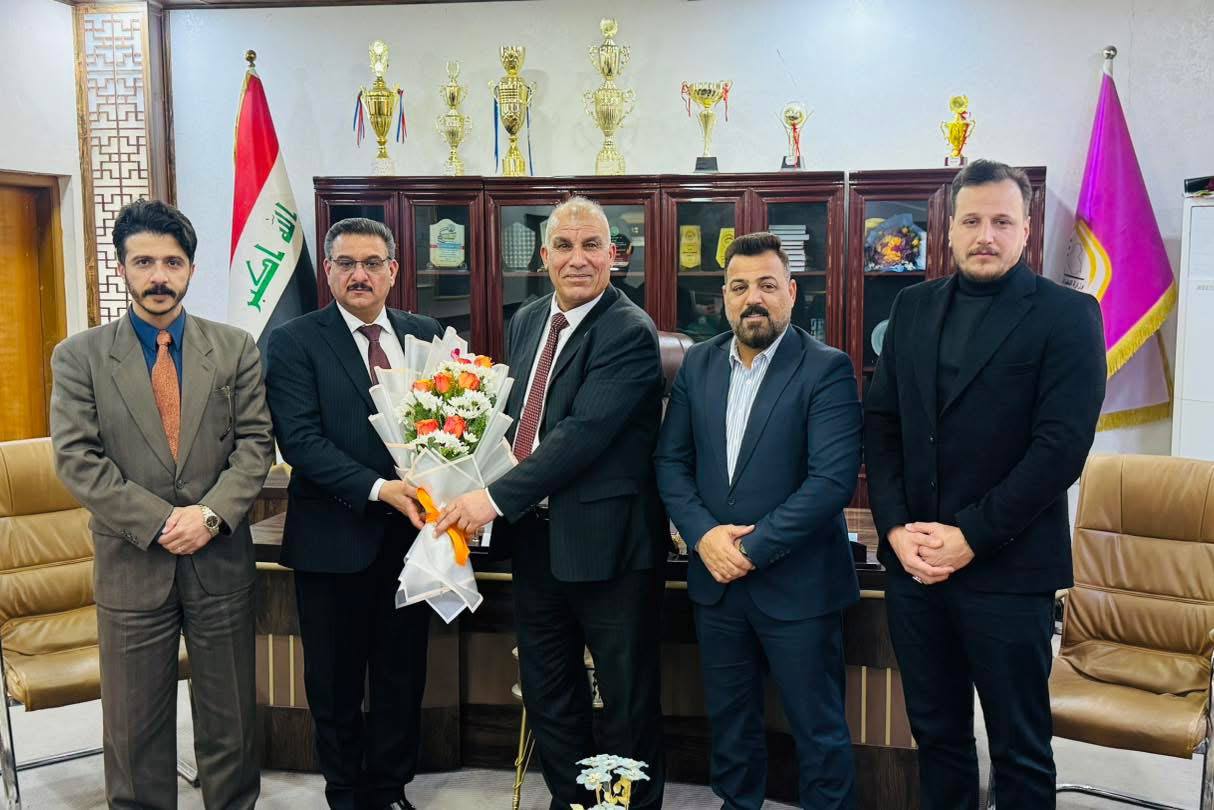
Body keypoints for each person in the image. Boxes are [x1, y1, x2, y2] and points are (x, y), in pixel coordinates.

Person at [863, 159, 1107, 809]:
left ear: (1026, 229)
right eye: (971, 221)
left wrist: (970, 535)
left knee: (1019, 749)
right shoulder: (912, 307)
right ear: (948, 230)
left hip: (1009, 570)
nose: (986, 235)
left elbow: (1060, 450)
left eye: (1002, 221)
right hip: (917, 568)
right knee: (937, 738)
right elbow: (881, 424)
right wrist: (895, 528)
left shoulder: (1068, 315)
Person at [435, 196, 668, 809]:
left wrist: (491, 498)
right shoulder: (528, 318)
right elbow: (520, 422)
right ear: (543, 257)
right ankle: (575, 801)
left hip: (610, 546)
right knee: (548, 692)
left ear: (613, 255)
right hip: (536, 540)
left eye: (591, 246)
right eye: (564, 246)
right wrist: (457, 470)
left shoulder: (628, 330)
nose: (577, 259)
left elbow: (580, 437)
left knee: (625, 701)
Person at [50, 199, 275, 809]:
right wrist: (161, 522)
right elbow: (77, 459)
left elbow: (256, 445)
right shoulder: (80, 356)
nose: (159, 276)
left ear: (191, 269)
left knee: (230, 719)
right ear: (122, 268)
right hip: (132, 564)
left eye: (172, 263)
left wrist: (208, 516)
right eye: (144, 261)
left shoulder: (234, 348)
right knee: (134, 728)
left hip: (219, 560)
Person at [654, 231, 862, 810]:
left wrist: (747, 550)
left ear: (791, 292)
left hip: (799, 587)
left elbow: (831, 482)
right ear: (724, 296)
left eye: (767, 285)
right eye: (740, 286)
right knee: (731, 726)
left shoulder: (826, 368)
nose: (753, 299)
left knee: (819, 731)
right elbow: (671, 463)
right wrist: (703, 537)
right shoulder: (698, 364)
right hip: (717, 589)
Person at [264, 217, 441, 810]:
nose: (358, 275)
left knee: (401, 676)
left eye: (371, 263)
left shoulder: (425, 335)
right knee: (334, 682)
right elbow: (301, 442)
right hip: (332, 539)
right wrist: (379, 488)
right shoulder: (294, 341)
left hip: (412, 543)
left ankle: (389, 790)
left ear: (393, 271)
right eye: (345, 263)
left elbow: (451, 428)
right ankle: (345, 794)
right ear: (329, 272)